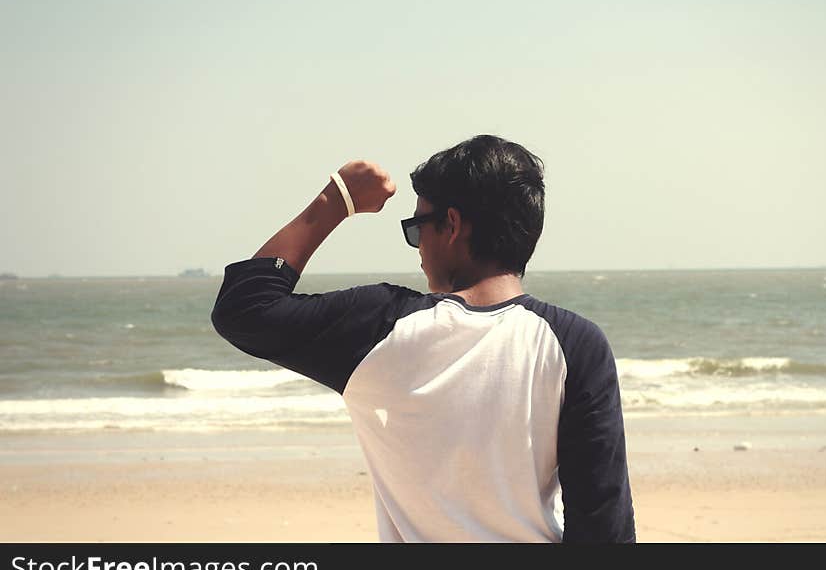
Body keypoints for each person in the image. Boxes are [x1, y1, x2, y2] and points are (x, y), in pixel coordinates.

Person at [210, 134, 636, 542]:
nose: (416, 247)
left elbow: (245, 307)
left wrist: (336, 201)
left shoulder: (381, 327)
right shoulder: (576, 344)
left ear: (451, 225)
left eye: (417, 228)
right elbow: (604, 527)